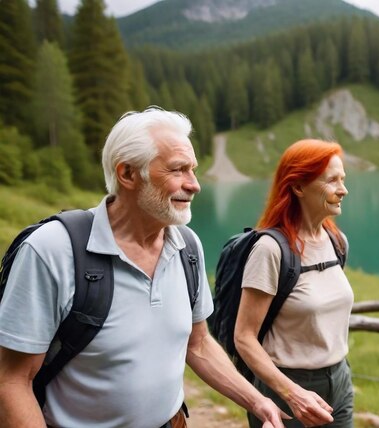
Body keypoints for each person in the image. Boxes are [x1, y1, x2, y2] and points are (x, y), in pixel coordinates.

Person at [0, 107, 287, 427]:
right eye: (178, 170)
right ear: (127, 174)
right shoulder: (52, 250)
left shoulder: (187, 246)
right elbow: (12, 381)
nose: (194, 185)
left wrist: (258, 401)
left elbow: (199, 343)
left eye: (193, 170)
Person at [234, 139, 354, 427]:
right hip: (285, 389)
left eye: (343, 179)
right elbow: (244, 337)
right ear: (298, 187)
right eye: (332, 181)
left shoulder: (337, 242)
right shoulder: (270, 250)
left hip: (339, 381)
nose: (343, 190)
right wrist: (292, 393)